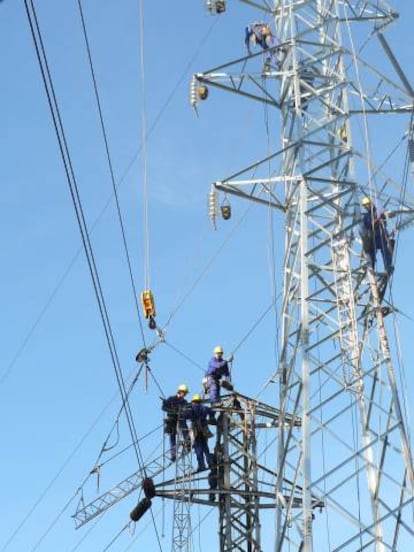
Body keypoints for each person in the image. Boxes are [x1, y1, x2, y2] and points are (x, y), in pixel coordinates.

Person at [360, 196, 394, 275]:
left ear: (371, 203)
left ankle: (388, 267)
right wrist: (374, 221)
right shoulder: (366, 216)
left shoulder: (379, 210)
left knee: (385, 251)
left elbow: (389, 213)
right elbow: (367, 225)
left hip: (381, 235)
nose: (366, 207)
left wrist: (386, 215)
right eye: (365, 206)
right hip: (373, 237)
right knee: (371, 252)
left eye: (367, 204)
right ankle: (371, 267)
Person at [162, 384, 190, 462]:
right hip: (172, 419)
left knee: (184, 427)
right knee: (172, 436)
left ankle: (188, 442)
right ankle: (173, 454)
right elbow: (164, 407)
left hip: (181, 418)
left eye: (185, 393)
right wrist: (171, 410)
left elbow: (188, 411)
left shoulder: (184, 402)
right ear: (180, 392)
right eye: (184, 393)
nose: (185, 395)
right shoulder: (171, 399)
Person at [186, 394, 214, 472]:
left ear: (193, 402)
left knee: (198, 449)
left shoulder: (191, 409)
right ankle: (210, 462)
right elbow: (211, 411)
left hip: (196, 431)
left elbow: (185, 416)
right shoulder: (204, 408)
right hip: (204, 430)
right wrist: (212, 417)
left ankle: (201, 465)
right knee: (205, 448)